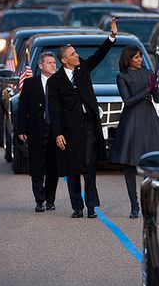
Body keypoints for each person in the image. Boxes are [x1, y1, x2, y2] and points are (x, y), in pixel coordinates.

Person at [48, 18, 118, 218]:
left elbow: (99, 55)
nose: (77, 55)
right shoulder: (55, 82)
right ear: (64, 60)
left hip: (88, 126)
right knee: (73, 169)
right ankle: (76, 207)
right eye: (72, 54)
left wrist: (111, 36)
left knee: (88, 165)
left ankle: (91, 207)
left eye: (76, 53)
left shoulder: (83, 68)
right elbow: (54, 110)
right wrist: (58, 133)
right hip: (69, 130)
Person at [109, 46, 159, 218]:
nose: (140, 60)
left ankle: (153, 202)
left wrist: (155, 88)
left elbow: (158, 99)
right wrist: (146, 91)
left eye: (140, 57)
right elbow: (128, 101)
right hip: (132, 121)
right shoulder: (122, 76)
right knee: (130, 164)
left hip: (149, 119)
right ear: (128, 60)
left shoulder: (148, 72)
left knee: (154, 163)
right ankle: (134, 204)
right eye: (136, 58)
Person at [17, 52, 59, 212]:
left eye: (54, 63)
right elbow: (22, 109)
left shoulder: (59, 83)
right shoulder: (30, 84)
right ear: (41, 66)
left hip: (54, 131)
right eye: (49, 63)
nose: (53, 65)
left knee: (52, 167)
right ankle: (39, 200)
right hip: (36, 130)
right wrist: (21, 129)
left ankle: (50, 199)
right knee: (36, 166)